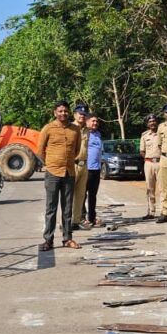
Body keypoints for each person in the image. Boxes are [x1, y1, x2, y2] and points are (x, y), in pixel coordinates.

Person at [36, 100, 81, 251]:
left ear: (69, 112)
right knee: (51, 208)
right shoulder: (48, 128)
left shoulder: (75, 129)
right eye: (60, 111)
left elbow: (77, 150)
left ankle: (67, 238)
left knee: (67, 208)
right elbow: (40, 150)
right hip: (53, 173)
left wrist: (67, 162)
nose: (63, 113)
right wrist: (50, 164)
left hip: (69, 173)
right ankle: (48, 240)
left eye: (65, 111)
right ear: (55, 112)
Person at [82, 114, 104, 228]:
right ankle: (81, 218)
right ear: (86, 122)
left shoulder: (98, 134)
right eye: (93, 121)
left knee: (93, 195)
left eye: (96, 121)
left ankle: (92, 217)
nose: (95, 123)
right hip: (86, 169)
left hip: (96, 169)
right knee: (82, 195)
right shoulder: (84, 133)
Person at [71, 103, 90, 230]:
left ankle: (75, 221)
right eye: (80, 114)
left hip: (84, 165)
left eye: (84, 114)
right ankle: (65, 222)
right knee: (69, 195)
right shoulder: (70, 128)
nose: (82, 116)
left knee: (80, 195)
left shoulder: (87, 130)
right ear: (74, 114)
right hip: (73, 165)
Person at [139, 114, 161, 220]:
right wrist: (148, 159)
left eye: (154, 121)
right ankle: (151, 212)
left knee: (163, 188)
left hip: (161, 163)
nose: (152, 123)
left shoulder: (162, 133)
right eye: (150, 121)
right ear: (147, 124)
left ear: (157, 122)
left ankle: (164, 212)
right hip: (148, 163)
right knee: (150, 188)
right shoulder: (144, 135)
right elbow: (142, 151)